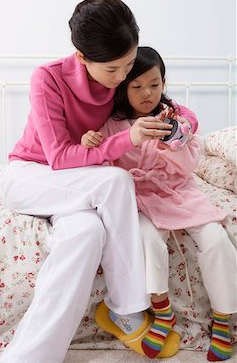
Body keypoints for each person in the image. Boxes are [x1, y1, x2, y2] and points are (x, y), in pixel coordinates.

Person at [0, 0, 198, 363]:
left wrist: (180, 126)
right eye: (113, 70)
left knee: (87, 234)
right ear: (81, 58)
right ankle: (126, 308)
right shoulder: (47, 78)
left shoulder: (120, 76)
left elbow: (177, 108)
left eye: (128, 64)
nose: (123, 77)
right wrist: (129, 138)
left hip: (80, 184)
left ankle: (23, 358)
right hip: (33, 175)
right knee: (114, 182)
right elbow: (59, 157)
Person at [81, 46, 237, 361]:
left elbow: (187, 166)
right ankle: (163, 312)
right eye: (137, 87)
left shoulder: (174, 120)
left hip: (179, 191)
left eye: (154, 84)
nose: (147, 93)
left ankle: (224, 320)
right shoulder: (112, 122)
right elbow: (101, 163)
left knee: (216, 238)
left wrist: (171, 141)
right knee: (147, 238)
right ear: (123, 87)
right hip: (137, 196)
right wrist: (90, 141)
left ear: (164, 83)